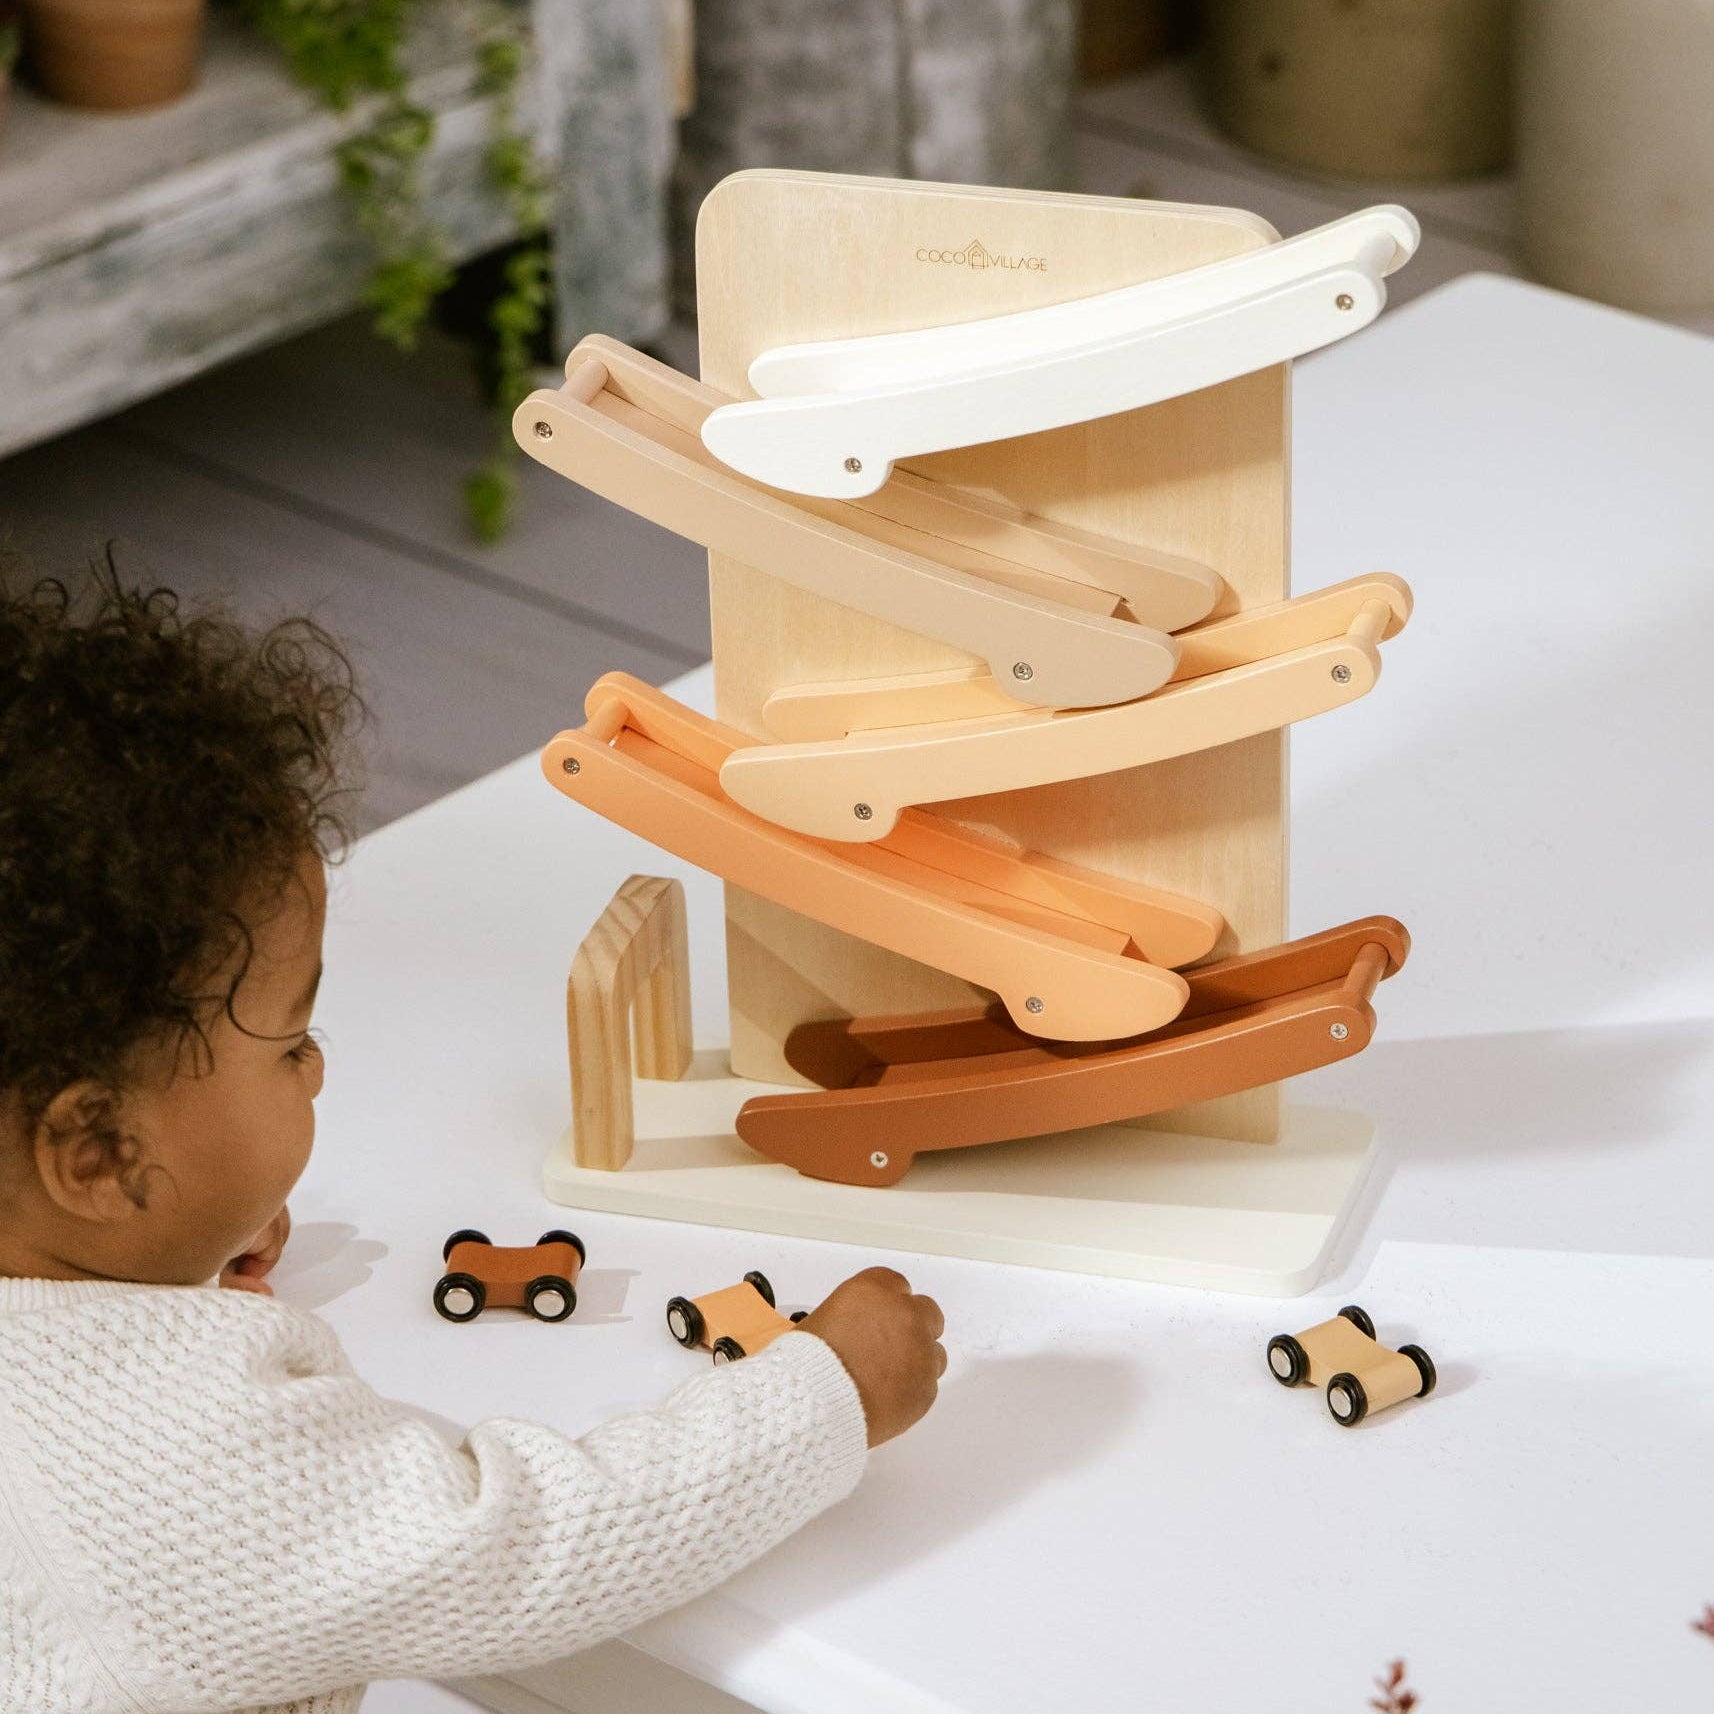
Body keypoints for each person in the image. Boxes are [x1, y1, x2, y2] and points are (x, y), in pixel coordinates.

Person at [0, 560, 945, 1712]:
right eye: (290, 1044)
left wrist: (179, 1244)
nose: (321, 1067)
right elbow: (520, 1548)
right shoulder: (195, 1465)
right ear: (97, 1158)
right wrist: (825, 1393)